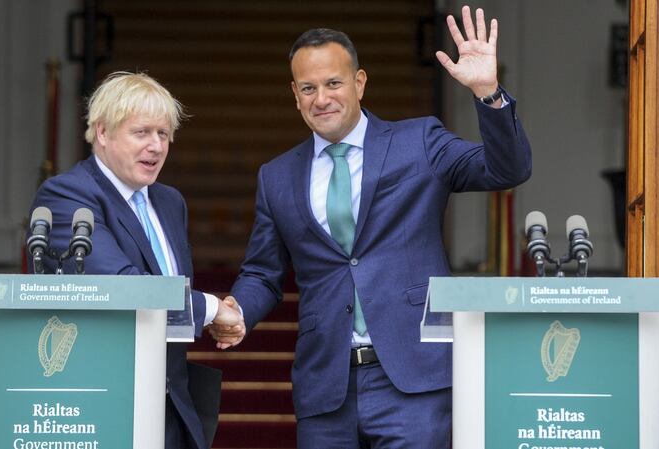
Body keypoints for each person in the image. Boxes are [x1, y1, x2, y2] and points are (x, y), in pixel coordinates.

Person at [211, 6, 532, 448]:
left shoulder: (419, 141)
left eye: (333, 83)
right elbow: (263, 274)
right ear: (294, 93)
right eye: (308, 88)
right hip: (327, 388)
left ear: (360, 83)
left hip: (413, 381)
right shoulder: (277, 176)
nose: (321, 98)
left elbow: (506, 170)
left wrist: (488, 93)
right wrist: (239, 310)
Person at [30, 71, 244, 449]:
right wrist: (211, 308)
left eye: (163, 134)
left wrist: (201, 310)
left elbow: (171, 291)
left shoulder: (169, 202)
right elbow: (124, 288)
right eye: (141, 132)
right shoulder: (67, 196)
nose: (156, 146)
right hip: (101, 407)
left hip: (172, 409)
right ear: (102, 133)